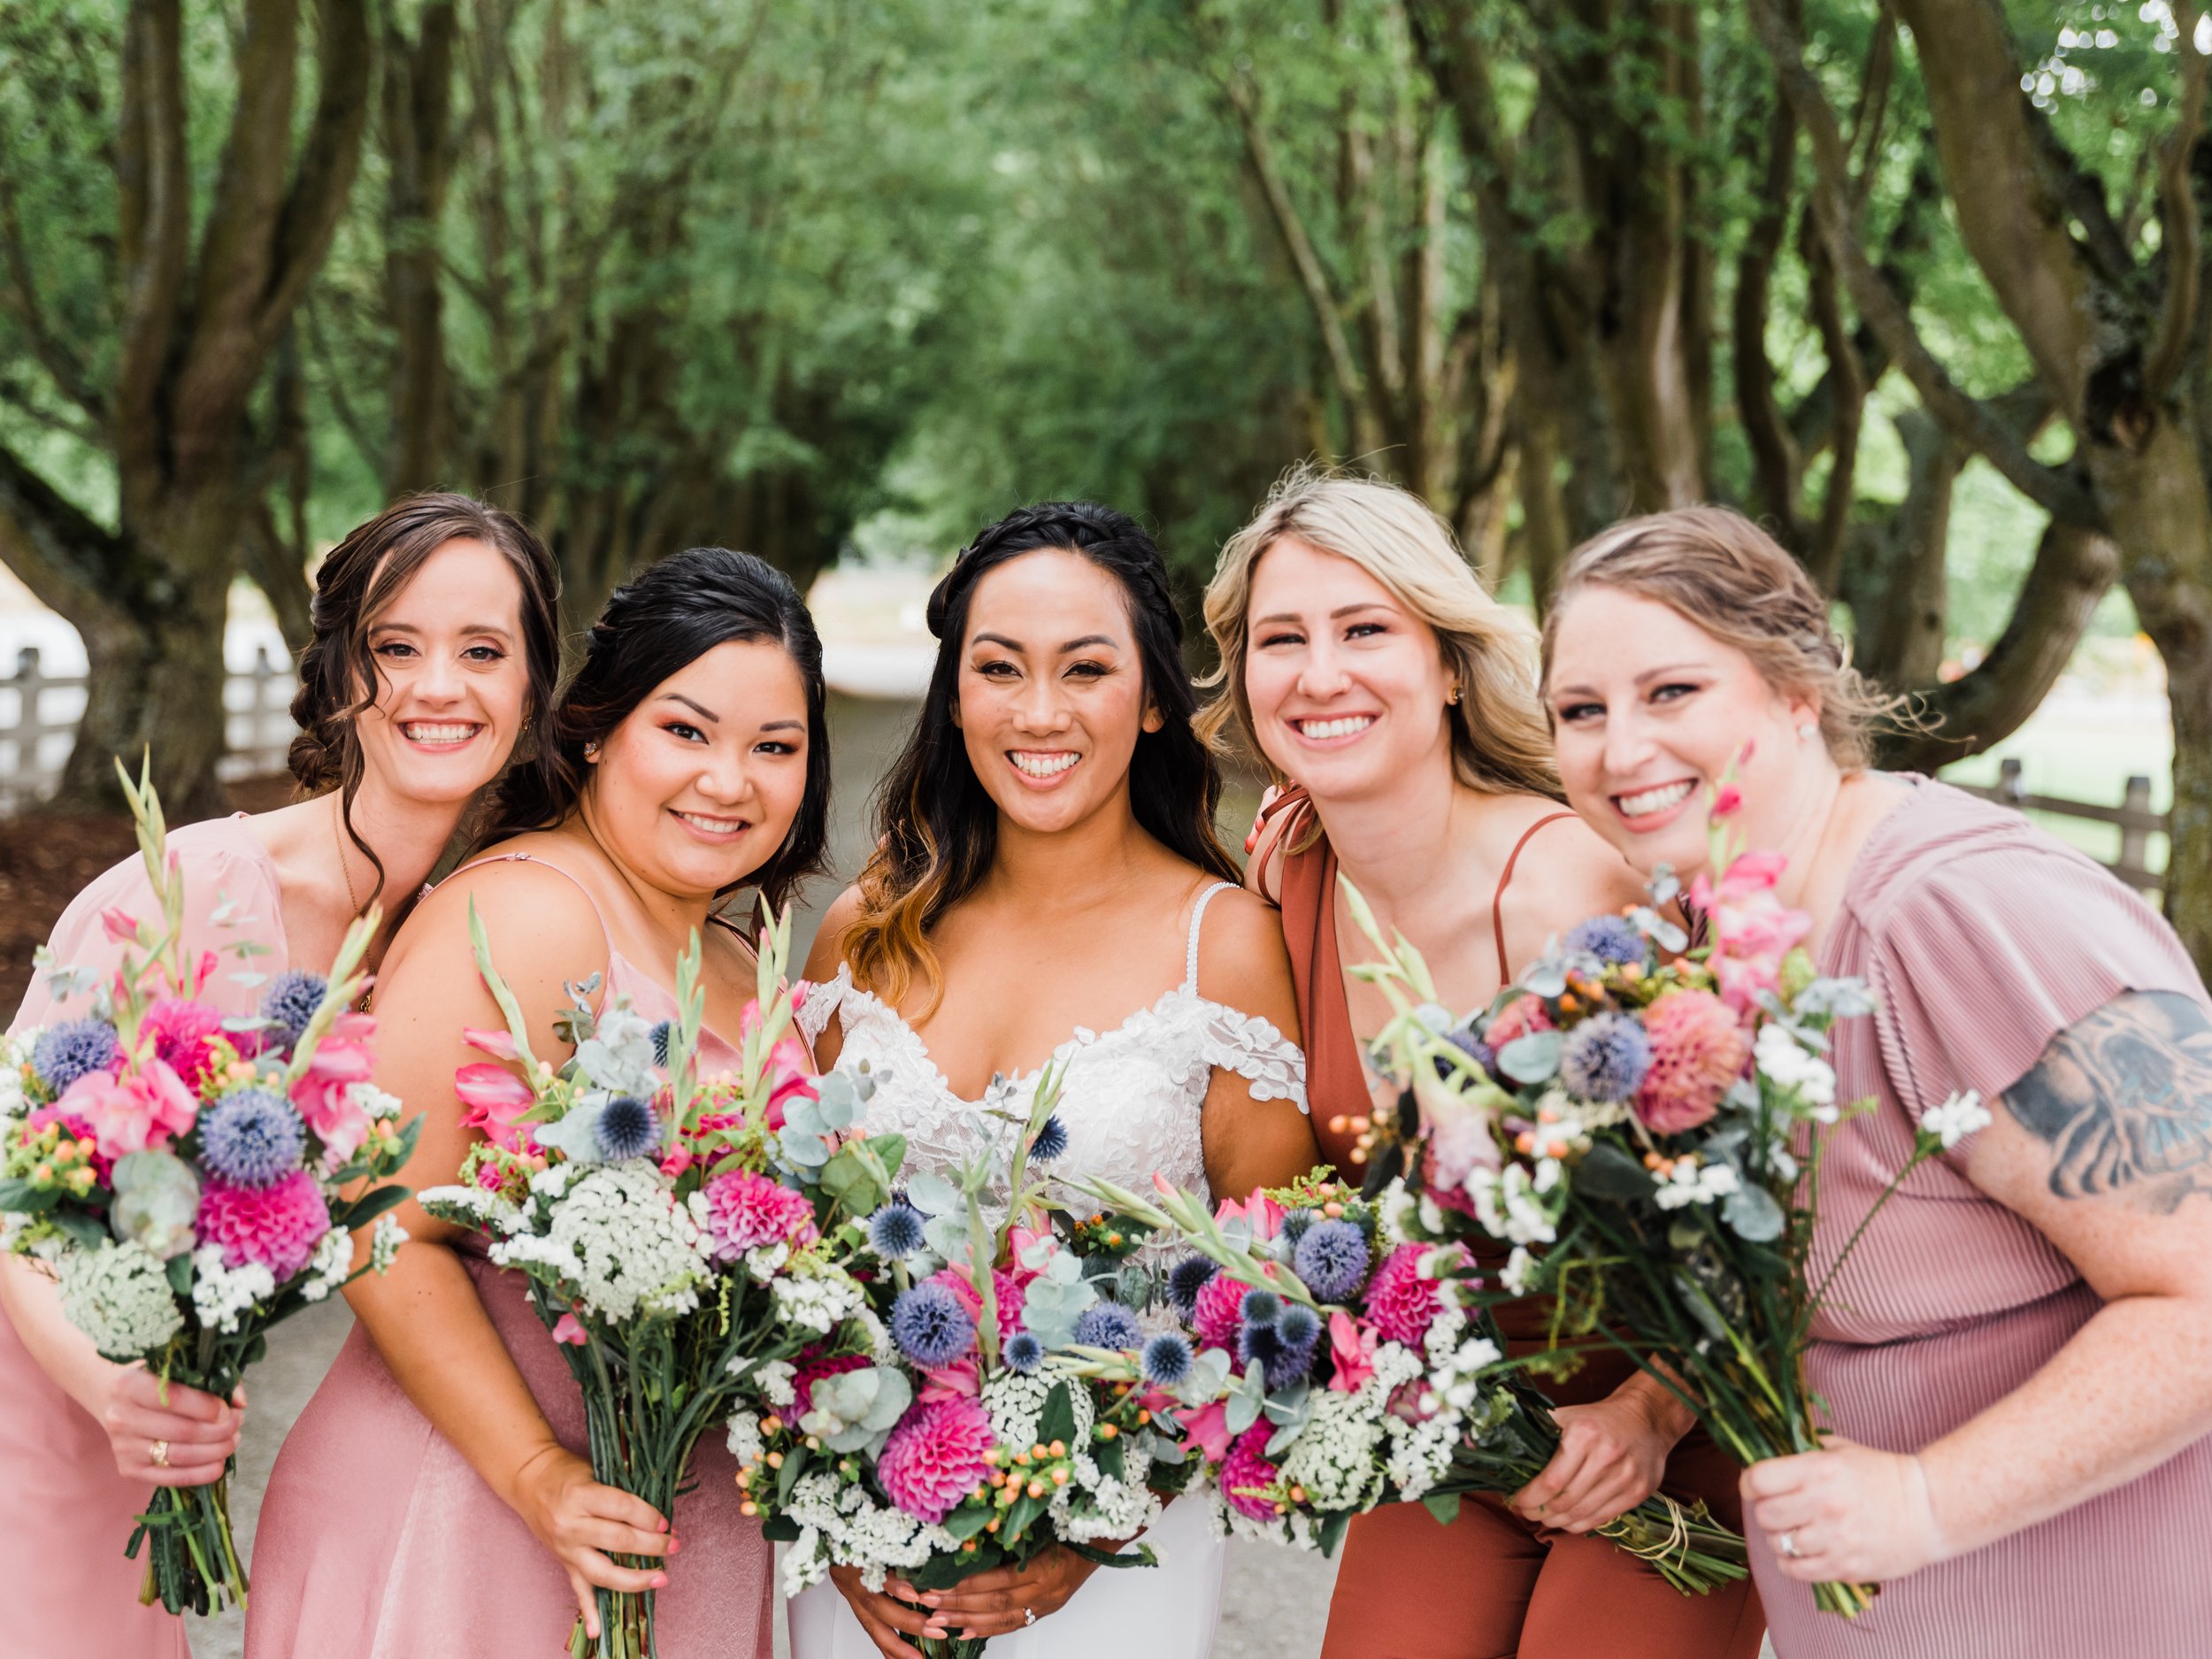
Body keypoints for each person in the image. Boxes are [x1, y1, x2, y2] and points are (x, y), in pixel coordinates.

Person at [1540, 505, 2212, 1658]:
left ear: (1798, 692)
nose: (1618, 749)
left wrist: (1929, 1498)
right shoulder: (1714, 932)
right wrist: (1651, 1411)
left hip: (2095, 1604)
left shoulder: (1955, 917)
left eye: (1672, 692)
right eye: (1580, 711)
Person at [1200, 467, 1765, 1659]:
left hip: (1671, 1414)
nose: (1319, 673)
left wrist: (1651, 1411)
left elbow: (1769, 1180)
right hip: (1462, 1420)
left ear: (1448, 662)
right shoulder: (1285, 870)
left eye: (1365, 630)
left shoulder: (1574, 888)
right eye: (1280, 638)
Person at [244, 547, 830, 1659]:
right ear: (599, 727)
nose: (729, 781)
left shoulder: (743, 957)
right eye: (687, 731)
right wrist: (536, 1473)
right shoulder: (531, 911)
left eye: (776, 747)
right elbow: (377, 1216)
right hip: (471, 1517)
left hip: (674, 1525)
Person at [0, 493, 558, 1659]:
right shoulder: (182, 895)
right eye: (394, 645)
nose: (436, 686)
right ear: (340, 671)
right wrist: (113, 1384)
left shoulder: (475, 938)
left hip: (153, 1441)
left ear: (532, 686)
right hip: (40, 1418)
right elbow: (12, 1188)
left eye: (482, 650)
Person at [793, 502, 1317, 1659]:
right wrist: (828, 1518)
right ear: (956, 694)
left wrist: (1086, 1531)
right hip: (867, 1549)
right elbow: (793, 1260)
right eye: (999, 668)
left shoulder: (1220, 944)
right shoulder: (863, 932)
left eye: (1087, 668)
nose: (1040, 711)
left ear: (1156, 696)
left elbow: (1265, 1290)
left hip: (1115, 1563)